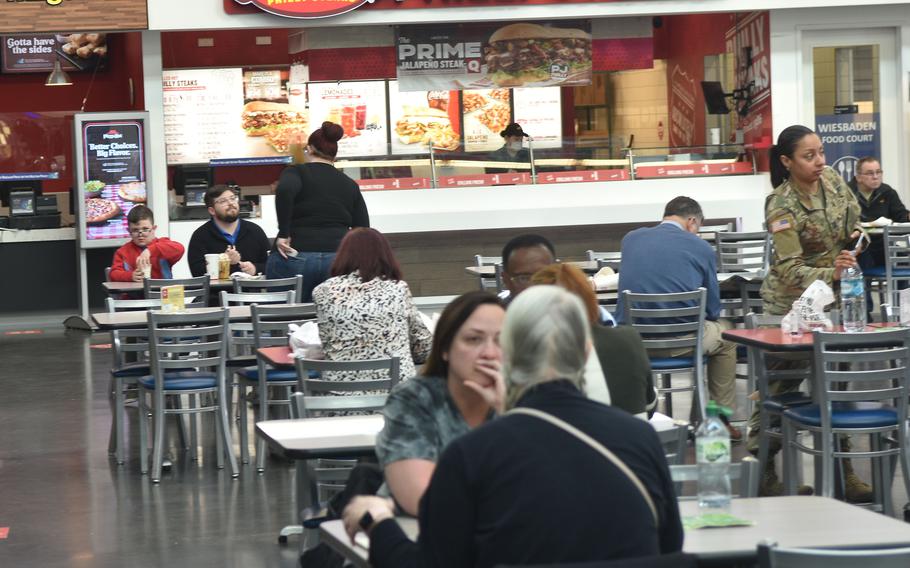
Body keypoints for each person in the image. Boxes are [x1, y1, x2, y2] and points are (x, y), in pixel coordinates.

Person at [342, 286, 683, 568]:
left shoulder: (473, 452)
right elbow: (669, 547)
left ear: (512, 352)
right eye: (474, 339)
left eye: (497, 341)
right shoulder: (639, 437)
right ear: (586, 353)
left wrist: (378, 522)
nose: (487, 353)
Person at [755, 124, 872, 500]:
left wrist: (855, 238)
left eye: (821, 152)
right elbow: (789, 267)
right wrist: (831, 272)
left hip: (833, 303)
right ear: (787, 162)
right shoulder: (781, 203)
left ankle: (843, 469)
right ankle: (763, 469)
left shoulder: (834, 181)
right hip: (788, 306)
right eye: (810, 156)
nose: (820, 161)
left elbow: (855, 220)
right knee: (780, 386)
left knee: (836, 387)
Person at [613, 196, 740, 439]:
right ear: (692, 221)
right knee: (728, 334)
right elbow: (713, 310)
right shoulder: (700, 247)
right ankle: (718, 419)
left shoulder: (630, 239)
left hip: (636, 345)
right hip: (684, 342)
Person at [376, 291, 505, 516]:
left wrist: (508, 415)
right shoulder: (415, 399)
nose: (490, 353)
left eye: (502, 341)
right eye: (474, 339)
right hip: (412, 536)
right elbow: (425, 502)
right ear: (445, 349)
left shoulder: (522, 402)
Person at [531, 263, 656, 417]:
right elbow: (649, 406)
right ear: (590, 299)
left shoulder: (531, 352)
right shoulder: (629, 339)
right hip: (634, 437)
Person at [312, 228, 431, 385]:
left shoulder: (323, 291)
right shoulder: (398, 289)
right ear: (385, 255)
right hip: (396, 401)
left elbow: (329, 344)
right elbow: (423, 347)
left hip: (341, 400)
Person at [266, 121, 370, 301]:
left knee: (287, 317)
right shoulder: (349, 184)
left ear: (310, 149)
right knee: (335, 318)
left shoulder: (296, 172)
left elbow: (285, 190)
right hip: (337, 257)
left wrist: (284, 232)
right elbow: (363, 228)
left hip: (296, 254)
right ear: (334, 155)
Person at [848, 156, 909, 311]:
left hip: (885, 245)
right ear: (858, 177)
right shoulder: (847, 193)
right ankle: (864, 313)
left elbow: (901, 215)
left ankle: (902, 311)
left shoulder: (887, 192)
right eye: (870, 173)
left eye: (878, 172)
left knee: (904, 260)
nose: (875, 177)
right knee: (858, 263)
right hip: (862, 246)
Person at [186, 185, 270, 277]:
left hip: (250, 290)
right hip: (217, 290)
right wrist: (223, 261)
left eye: (233, 198)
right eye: (223, 201)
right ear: (212, 210)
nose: (230, 203)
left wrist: (255, 268)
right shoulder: (200, 236)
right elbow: (196, 273)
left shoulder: (255, 231)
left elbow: (270, 264)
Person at [109, 205, 184, 282]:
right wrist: (130, 276)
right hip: (133, 293)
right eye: (135, 230)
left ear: (154, 229)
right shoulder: (122, 252)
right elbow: (113, 274)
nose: (140, 234)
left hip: (161, 292)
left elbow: (180, 248)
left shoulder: (162, 243)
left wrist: (150, 250)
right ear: (129, 231)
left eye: (145, 229)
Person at [500, 233, 556, 299]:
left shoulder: (568, 307)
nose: (534, 287)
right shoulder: (496, 309)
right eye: (524, 278)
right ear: (506, 280)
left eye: (543, 276)